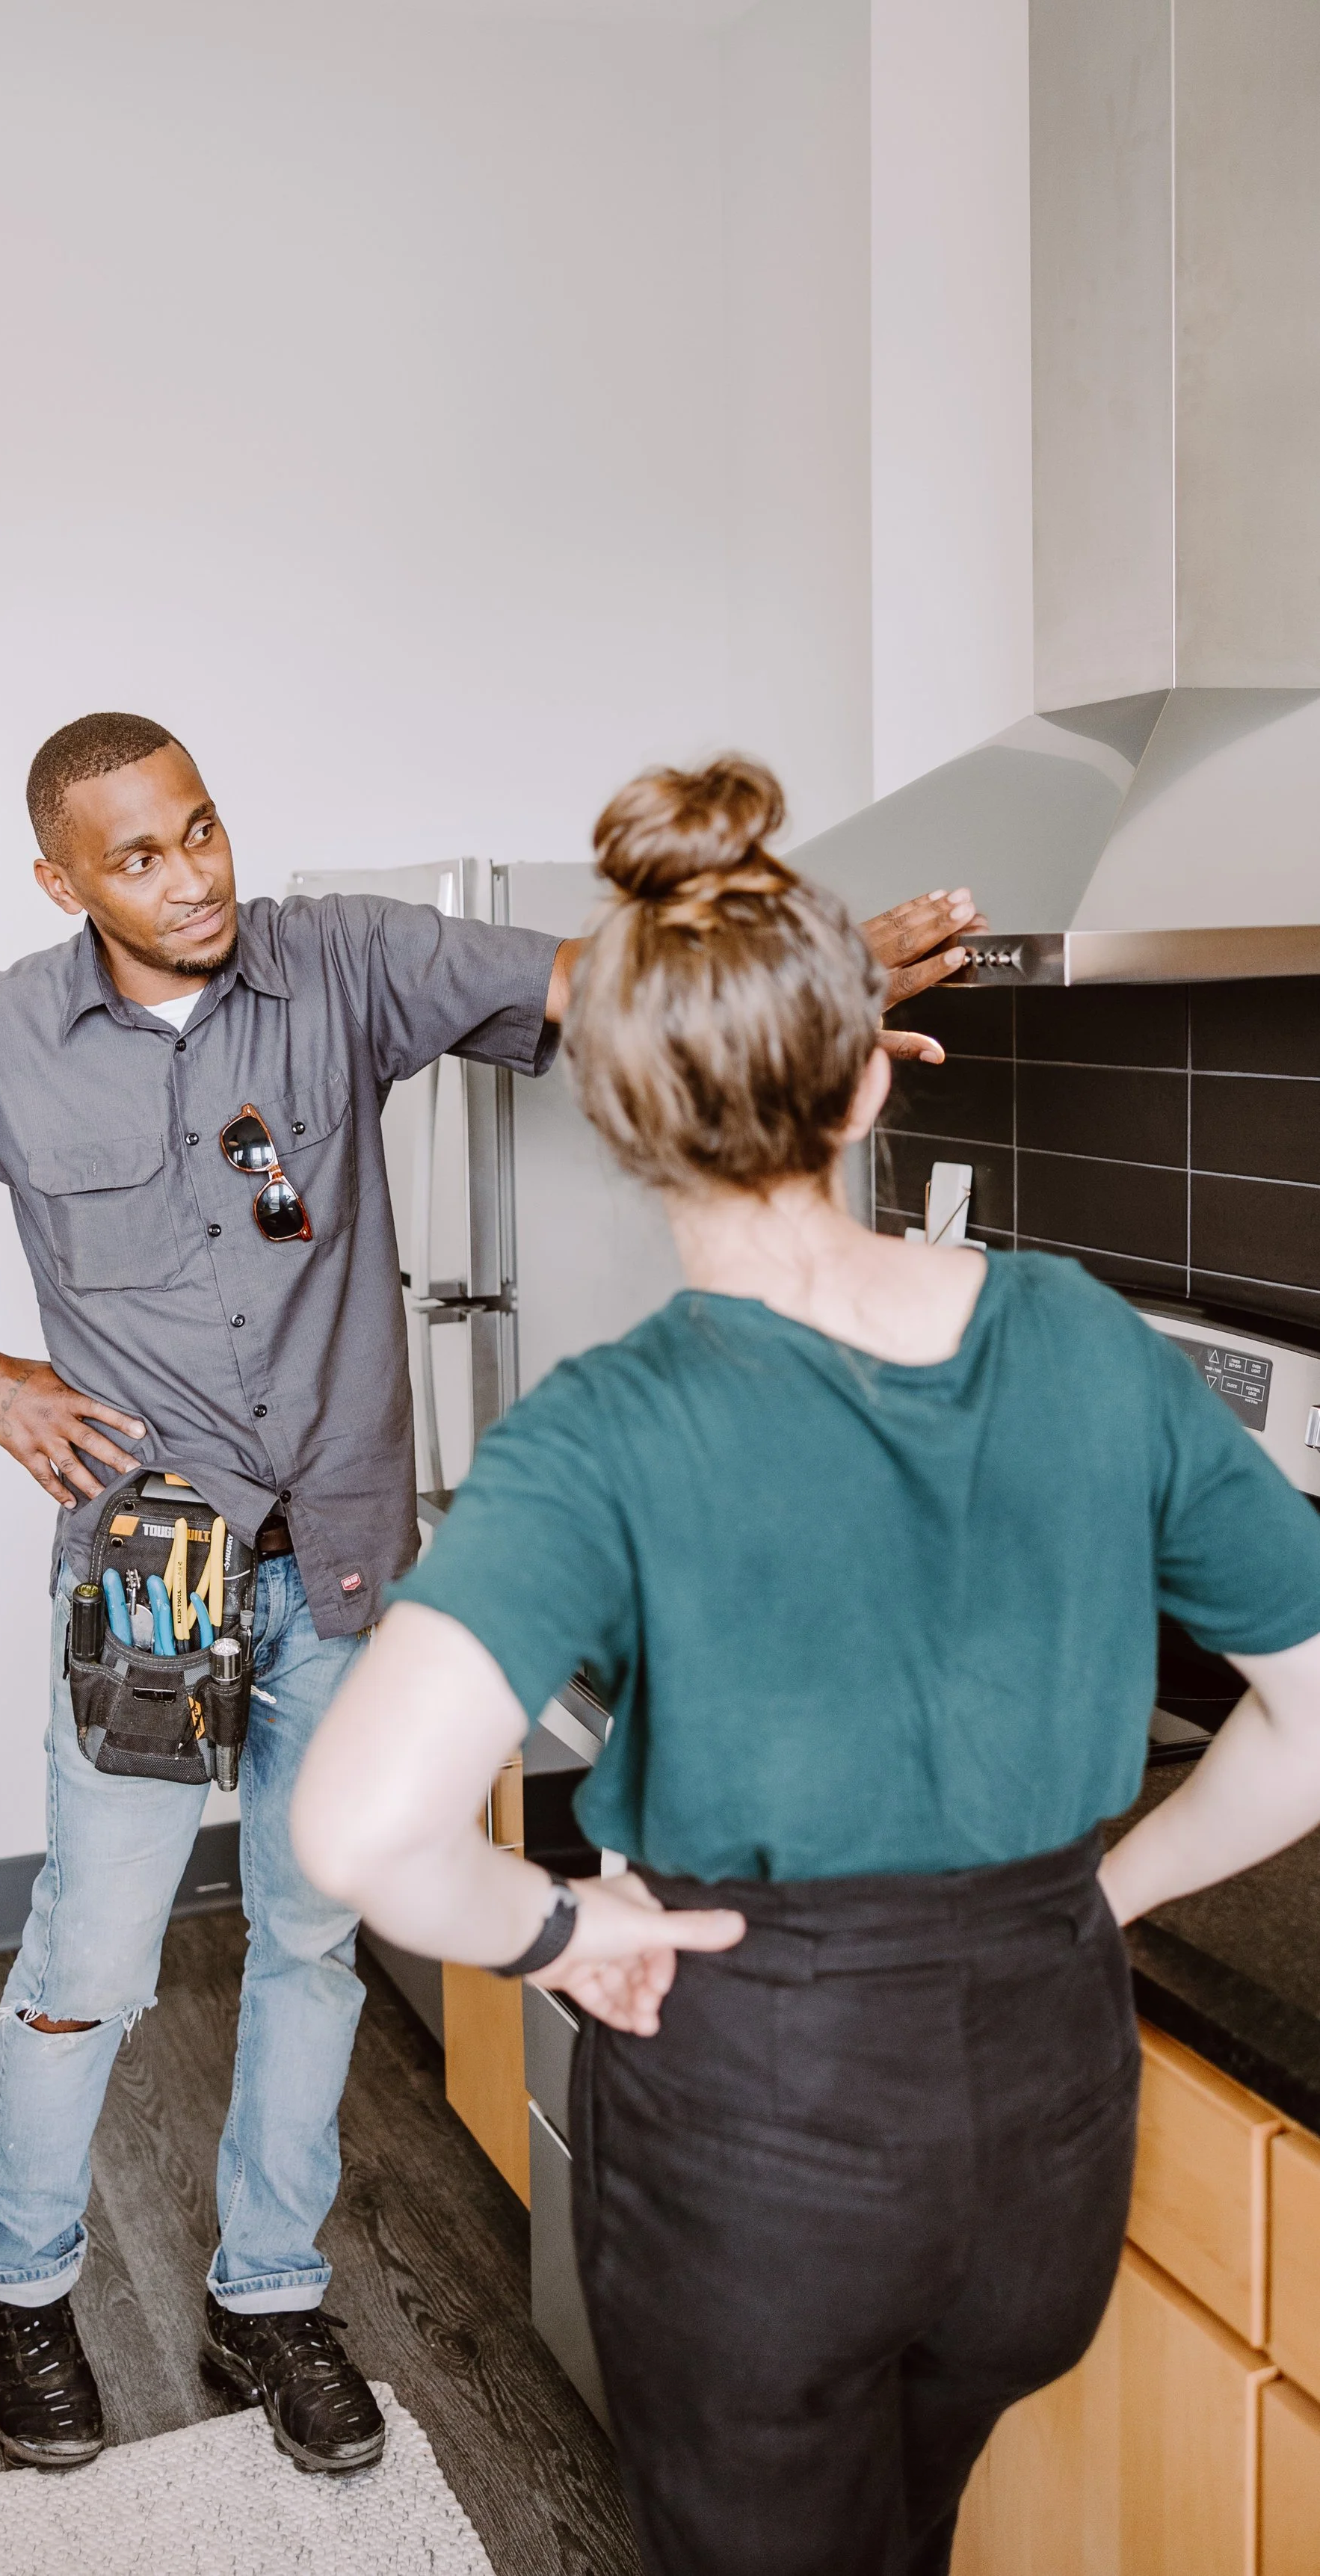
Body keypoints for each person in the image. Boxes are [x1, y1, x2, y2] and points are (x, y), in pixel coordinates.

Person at [0, 712, 982, 2477]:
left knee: (310, 1938)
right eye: (139, 855)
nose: (191, 874)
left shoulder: (342, 956)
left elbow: (599, 978)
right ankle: (21, 2287)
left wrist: (796, 975)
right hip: (150, 1579)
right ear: (63, 879)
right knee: (94, 1961)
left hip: (344, 1557)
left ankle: (265, 2298)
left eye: (200, 829)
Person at [292, 753, 1320, 2576]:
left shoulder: (607, 1432)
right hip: (1042, 2142)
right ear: (866, 1079)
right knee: (905, 2528)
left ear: (612, 1116)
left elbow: (363, 1832)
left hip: (761, 2132)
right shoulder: (1080, 1337)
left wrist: (568, 1933)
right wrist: (1103, 1894)